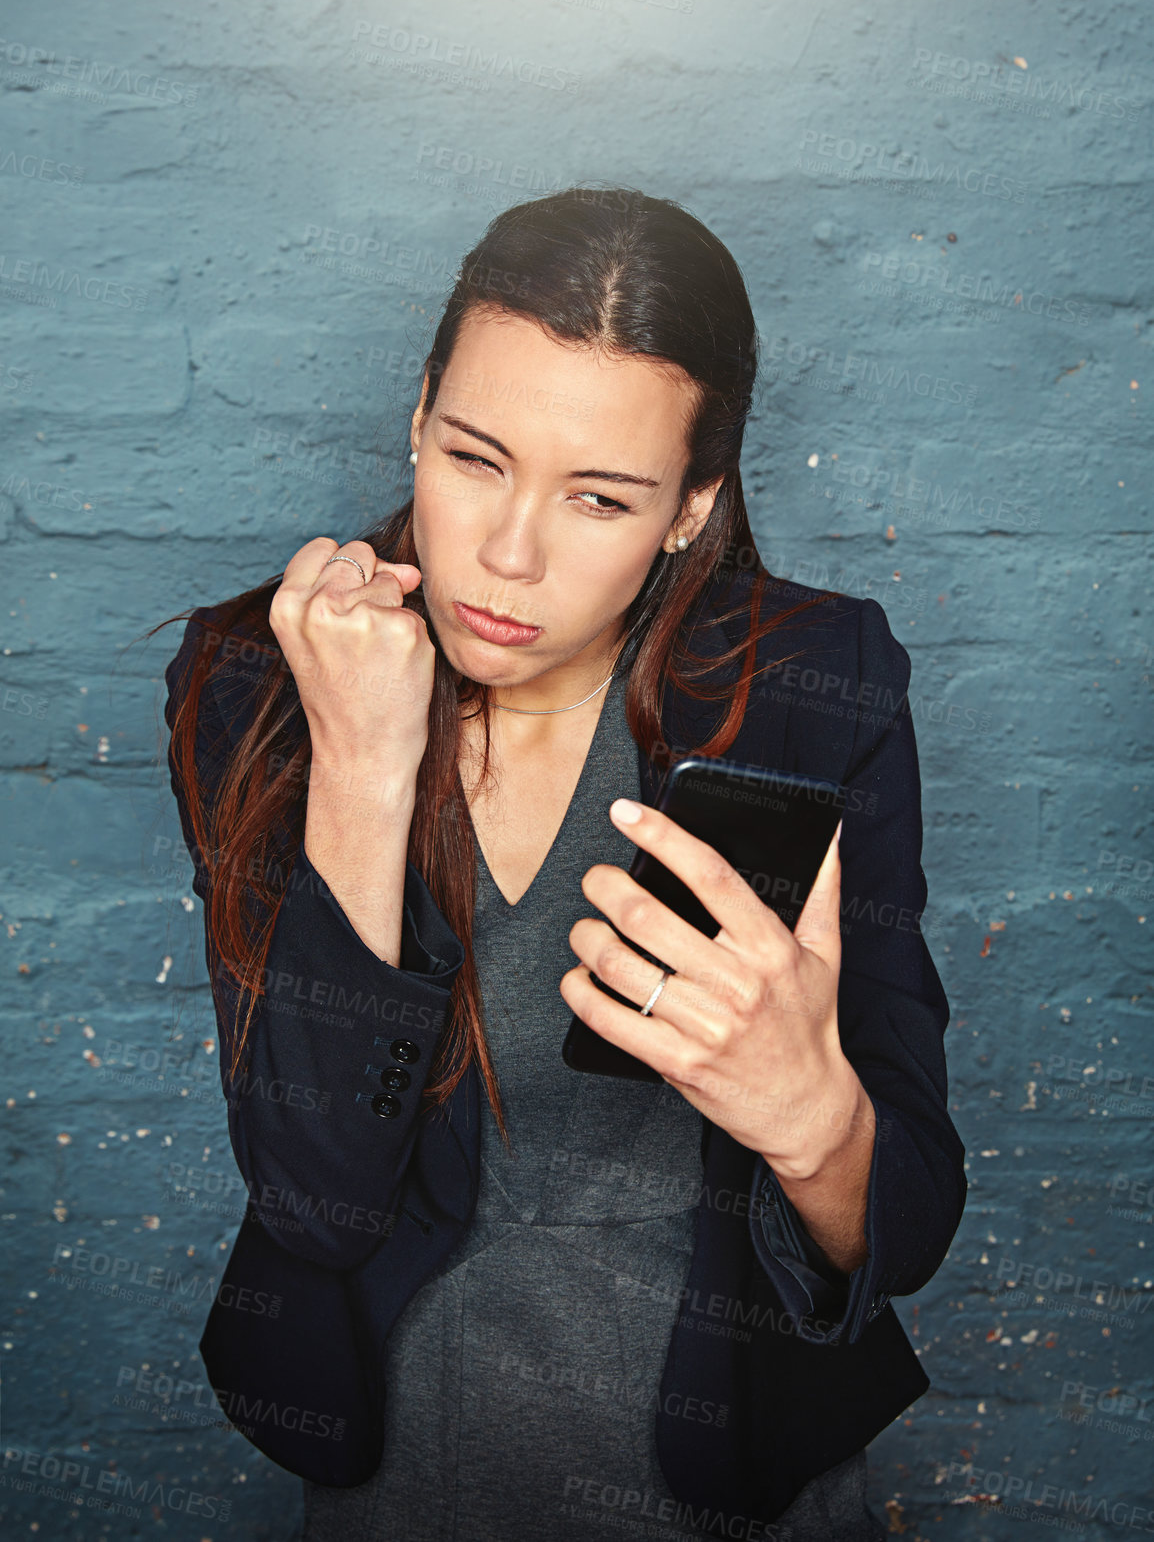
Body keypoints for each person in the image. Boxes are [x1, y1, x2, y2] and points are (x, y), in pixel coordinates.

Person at [159, 187, 966, 1542]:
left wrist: (807, 1110)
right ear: (418, 414)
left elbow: (909, 1226)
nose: (511, 553)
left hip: (736, 1474)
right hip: (400, 1471)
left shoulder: (813, 688)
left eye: (599, 496)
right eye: (474, 458)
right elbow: (313, 1198)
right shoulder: (266, 682)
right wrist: (361, 766)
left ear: (687, 508)